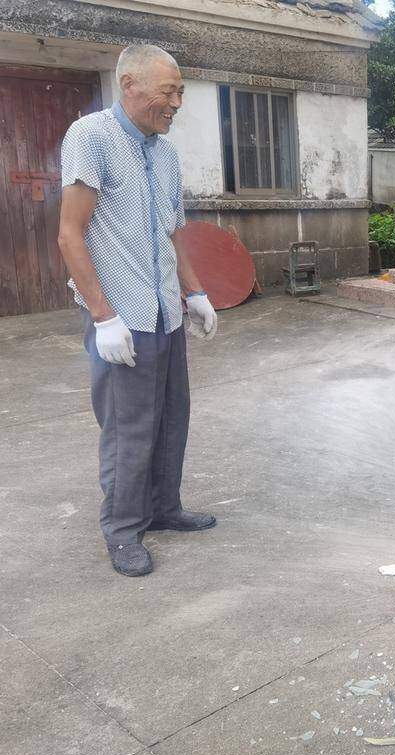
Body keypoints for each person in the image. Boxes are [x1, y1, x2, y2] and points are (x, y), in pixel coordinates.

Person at [58, 44, 218, 577]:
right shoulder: (91, 137)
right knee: (129, 428)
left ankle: (164, 508)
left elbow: (173, 231)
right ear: (129, 85)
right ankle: (124, 529)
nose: (176, 103)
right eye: (168, 91)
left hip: (165, 313)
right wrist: (103, 317)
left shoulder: (165, 154)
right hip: (122, 316)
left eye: (180, 93)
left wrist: (195, 293)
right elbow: (70, 234)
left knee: (171, 418)